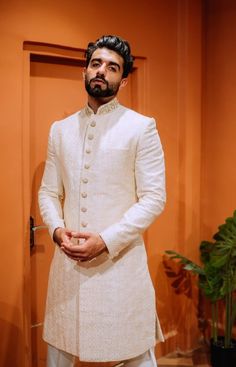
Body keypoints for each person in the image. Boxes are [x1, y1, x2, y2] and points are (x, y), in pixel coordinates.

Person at [38, 35, 166, 367]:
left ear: (123, 80)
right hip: (68, 268)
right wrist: (56, 231)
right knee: (60, 351)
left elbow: (154, 198)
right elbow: (49, 192)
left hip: (120, 268)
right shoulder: (60, 130)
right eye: (96, 63)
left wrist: (105, 241)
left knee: (134, 353)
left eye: (112, 67)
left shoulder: (141, 128)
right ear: (85, 71)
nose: (102, 71)